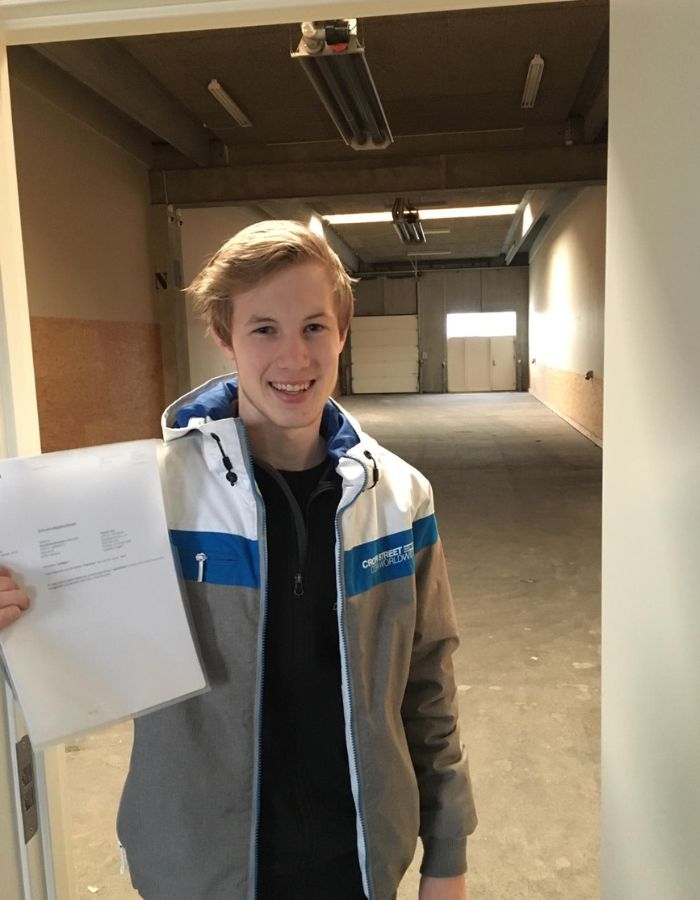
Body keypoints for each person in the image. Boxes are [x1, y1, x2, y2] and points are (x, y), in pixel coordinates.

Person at [0, 221, 477, 900]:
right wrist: (18, 629)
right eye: (264, 329)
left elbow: (428, 687)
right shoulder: (152, 499)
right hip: (199, 871)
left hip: (360, 864)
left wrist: (447, 853)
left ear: (343, 331)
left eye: (314, 327)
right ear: (224, 337)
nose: (294, 357)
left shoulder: (399, 499)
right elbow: (73, 662)